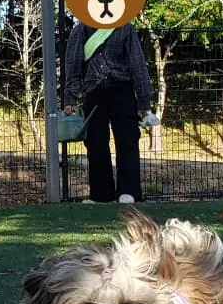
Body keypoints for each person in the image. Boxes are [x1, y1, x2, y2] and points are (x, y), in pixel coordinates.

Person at [62, 19, 158, 204]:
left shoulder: (125, 27)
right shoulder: (82, 28)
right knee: (96, 142)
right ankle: (100, 194)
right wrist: (70, 98)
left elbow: (137, 64)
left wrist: (144, 100)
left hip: (122, 89)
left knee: (128, 139)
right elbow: (73, 64)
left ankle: (128, 191)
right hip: (93, 91)